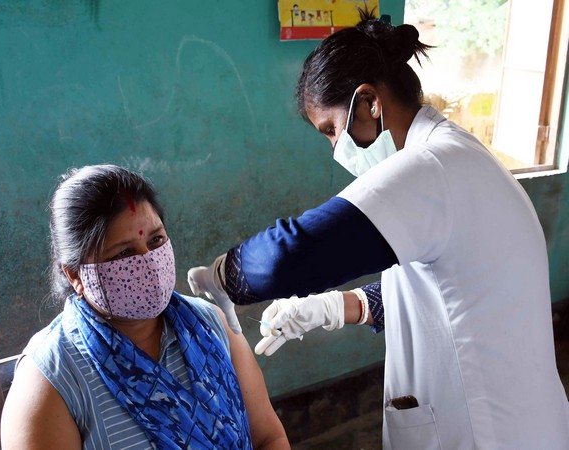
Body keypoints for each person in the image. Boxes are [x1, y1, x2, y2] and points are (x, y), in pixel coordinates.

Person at [187, 9, 569, 450]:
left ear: (368, 103)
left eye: (332, 130)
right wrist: (329, 308)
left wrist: (221, 276)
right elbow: (439, 293)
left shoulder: (430, 168)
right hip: (521, 421)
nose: (335, 149)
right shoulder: (458, 159)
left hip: (486, 433)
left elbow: (294, 254)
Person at [0, 164, 290, 450]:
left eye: (156, 240)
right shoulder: (55, 378)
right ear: (75, 275)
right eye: (124, 253)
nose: (149, 262)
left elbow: (268, 438)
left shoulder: (209, 325)